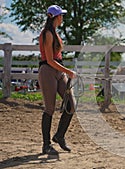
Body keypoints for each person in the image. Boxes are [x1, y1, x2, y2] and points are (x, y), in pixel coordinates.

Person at [38, 5, 76, 155]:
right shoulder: (47, 34)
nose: (62, 18)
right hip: (48, 71)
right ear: (56, 17)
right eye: (61, 15)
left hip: (58, 71)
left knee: (71, 105)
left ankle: (59, 136)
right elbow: (49, 60)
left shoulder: (55, 33)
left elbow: (57, 59)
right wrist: (68, 72)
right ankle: (46, 145)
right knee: (50, 108)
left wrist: (65, 72)